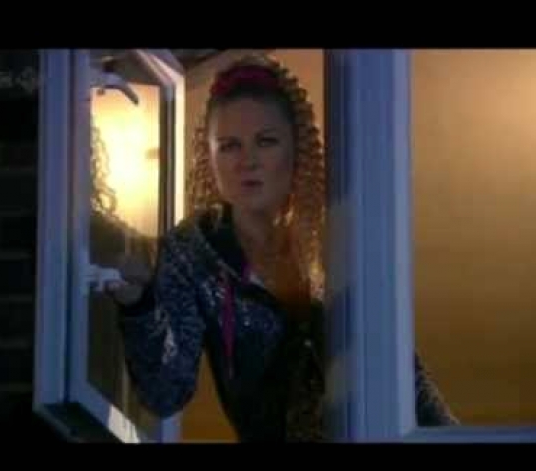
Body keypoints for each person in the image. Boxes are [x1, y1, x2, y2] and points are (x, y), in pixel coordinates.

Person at [107, 54, 458, 442]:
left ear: (296, 148)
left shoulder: (341, 236)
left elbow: (403, 373)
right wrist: (139, 305)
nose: (248, 162)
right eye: (229, 146)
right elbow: (165, 392)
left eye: (266, 141)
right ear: (209, 157)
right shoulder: (194, 250)